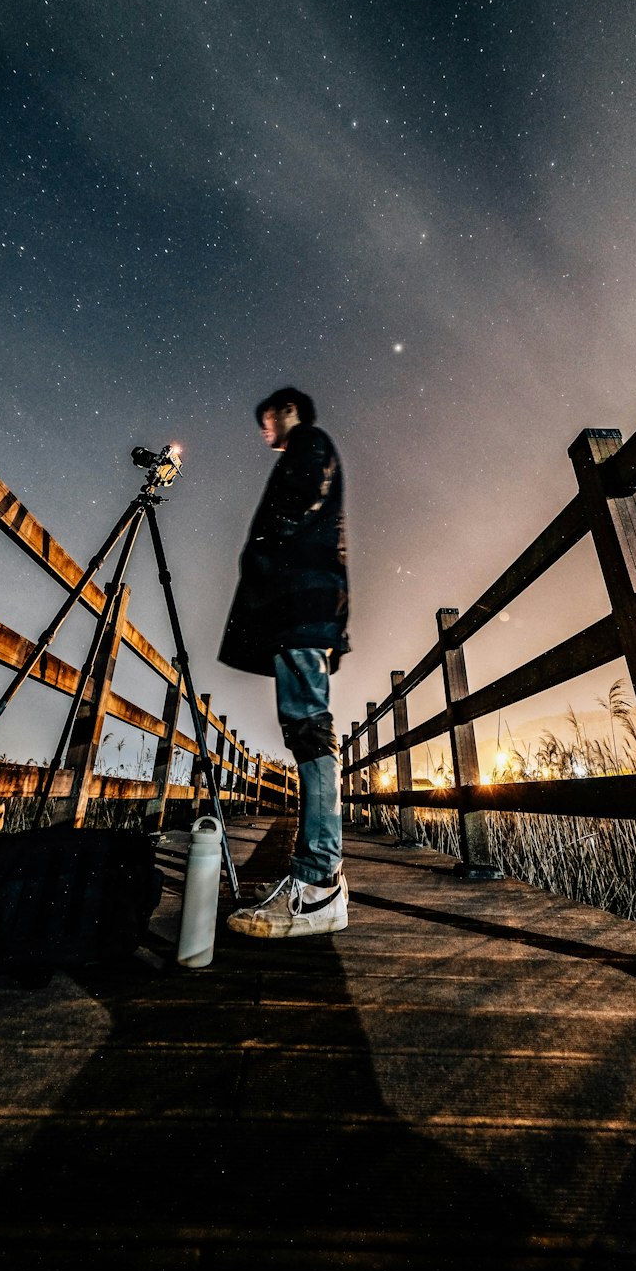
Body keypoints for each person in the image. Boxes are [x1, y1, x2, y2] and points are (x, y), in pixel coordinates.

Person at [218, 387, 350, 937]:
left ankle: (318, 884)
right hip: (306, 607)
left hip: (303, 605)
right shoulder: (310, 450)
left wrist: (261, 556)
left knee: (309, 730)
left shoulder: (310, 445)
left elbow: (293, 510)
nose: (263, 430)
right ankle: (320, 879)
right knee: (307, 730)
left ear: (287, 411)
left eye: (267, 418)